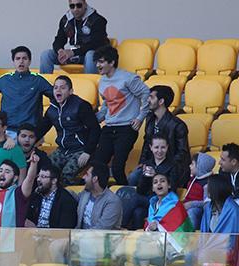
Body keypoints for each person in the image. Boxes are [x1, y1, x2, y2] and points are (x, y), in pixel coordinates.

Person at [92, 45, 150, 185]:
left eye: (101, 62)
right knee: (98, 165)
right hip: (109, 127)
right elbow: (107, 104)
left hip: (126, 128)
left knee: (117, 167)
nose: (98, 65)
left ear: (112, 62)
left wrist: (140, 117)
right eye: (97, 62)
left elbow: (146, 93)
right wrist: (95, 119)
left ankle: (125, 192)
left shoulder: (128, 78)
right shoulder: (102, 81)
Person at [38, 75, 100, 185]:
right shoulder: (52, 109)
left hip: (81, 150)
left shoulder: (81, 106)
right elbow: (41, 129)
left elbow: (95, 129)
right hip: (63, 149)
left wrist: (88, 152)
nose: (58, 90)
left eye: (62, 88)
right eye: (56, 87)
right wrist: (28, 141)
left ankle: (80, 190)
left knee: (67, 175)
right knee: (45, 170)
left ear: (70, 91)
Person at [133, 85, 190, 188]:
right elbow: (147, 143)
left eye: (151, 97)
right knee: (133, 178)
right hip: (152, 164)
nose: (148, 100)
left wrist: (162, 167)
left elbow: (182, 153)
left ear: (161, 101)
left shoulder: (177, 125)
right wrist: (142, 162)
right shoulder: (150, 119)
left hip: (170, 168)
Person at [40, 0, 109, 74]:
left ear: (85, 4)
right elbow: (59, 39)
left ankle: (90, 82)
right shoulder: (66, 20)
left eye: (79, 5)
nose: (75, 9)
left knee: (90, 55)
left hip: (90, 56)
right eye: (72, 6)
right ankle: (44, 82)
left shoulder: (97, 20)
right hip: (73, 55)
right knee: (46, 54)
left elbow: (96, 44)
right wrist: (60, 50)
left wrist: (73, 52)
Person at [123, 135, 184, 230]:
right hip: (149, 201)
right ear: (151, 147)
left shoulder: (173, 165)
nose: (159, 151)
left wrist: (156, 175)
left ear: (167, 147)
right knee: (138, 212)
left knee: (135, 198)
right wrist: (145, 177)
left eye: (163, 147)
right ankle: (136, 235)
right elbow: (140, 190)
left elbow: (173, 188)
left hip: (163, 201)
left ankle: (120, 226)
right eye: (156, 147)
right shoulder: (148, 163)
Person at [196, 175, 239, 266]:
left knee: (204, 254)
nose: (206, 188)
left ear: (217, 188)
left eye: (209, 185)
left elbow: (231, 240)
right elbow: (204, 233)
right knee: (190, 255)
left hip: (228, 249)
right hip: (211, 247)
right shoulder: (208, 207)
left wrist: (210, 248)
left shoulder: (233, 209)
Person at [26, 164, 77, 229]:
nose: (38, 179)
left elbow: (66, 228)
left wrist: (38, 230)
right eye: (38, 176)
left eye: (43, 177)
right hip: (33, 233)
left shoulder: (67, 200)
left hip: (54, 235)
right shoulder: (36, 196)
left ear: (54, 181)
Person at [76, 161, 123, 231]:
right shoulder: (86, 193)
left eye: (87, 175)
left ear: (95, 179)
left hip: (99, 237)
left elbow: (100, 230)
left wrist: (77, 235)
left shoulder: (112, 202)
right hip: (79, 235)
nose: (83, 177)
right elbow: (70, 197)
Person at [183, 152, 215, 230]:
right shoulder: (194, 178)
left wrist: (191, 204)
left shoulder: (207, 184)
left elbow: (207, 202)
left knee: (192, 212)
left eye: (192, 164)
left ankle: (190, 234)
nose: (189, 166)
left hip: (198, 210)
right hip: (187, 206)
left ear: (200, 167)